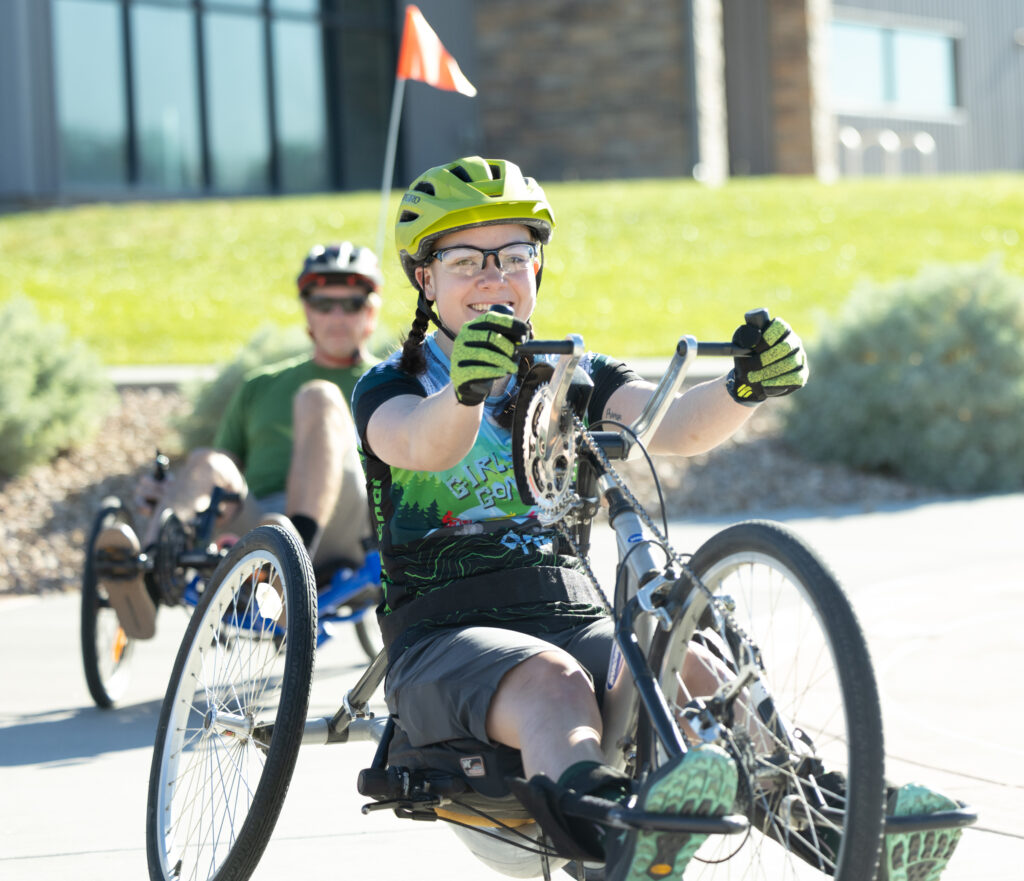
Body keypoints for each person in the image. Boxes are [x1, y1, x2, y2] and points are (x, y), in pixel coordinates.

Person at [352, 156, 964, 881]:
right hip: (445, 636)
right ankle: (622, 834)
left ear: (537, 270)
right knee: (552, 681)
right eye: (466, 259)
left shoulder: (568, 374)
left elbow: (666, 423)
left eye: (514, 255)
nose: (494, 275)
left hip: (572, 612)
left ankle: (838, 825)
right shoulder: (393, 383)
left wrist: (744, 388)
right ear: (426, 278)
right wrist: (466, 390)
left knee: (697, 668)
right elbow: (422, 442)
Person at [98, 242, 382, 640]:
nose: (337, 316)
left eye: (351, 304)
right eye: (323, 303)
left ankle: (292, 564)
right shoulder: (260, 386)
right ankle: (147, 571)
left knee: (317, 397)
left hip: (349, 527)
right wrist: (170, 496)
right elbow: (221, 473)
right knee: (208, 462)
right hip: (262, 525)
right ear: (307, 312)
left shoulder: (390, 380)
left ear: (370, 313)